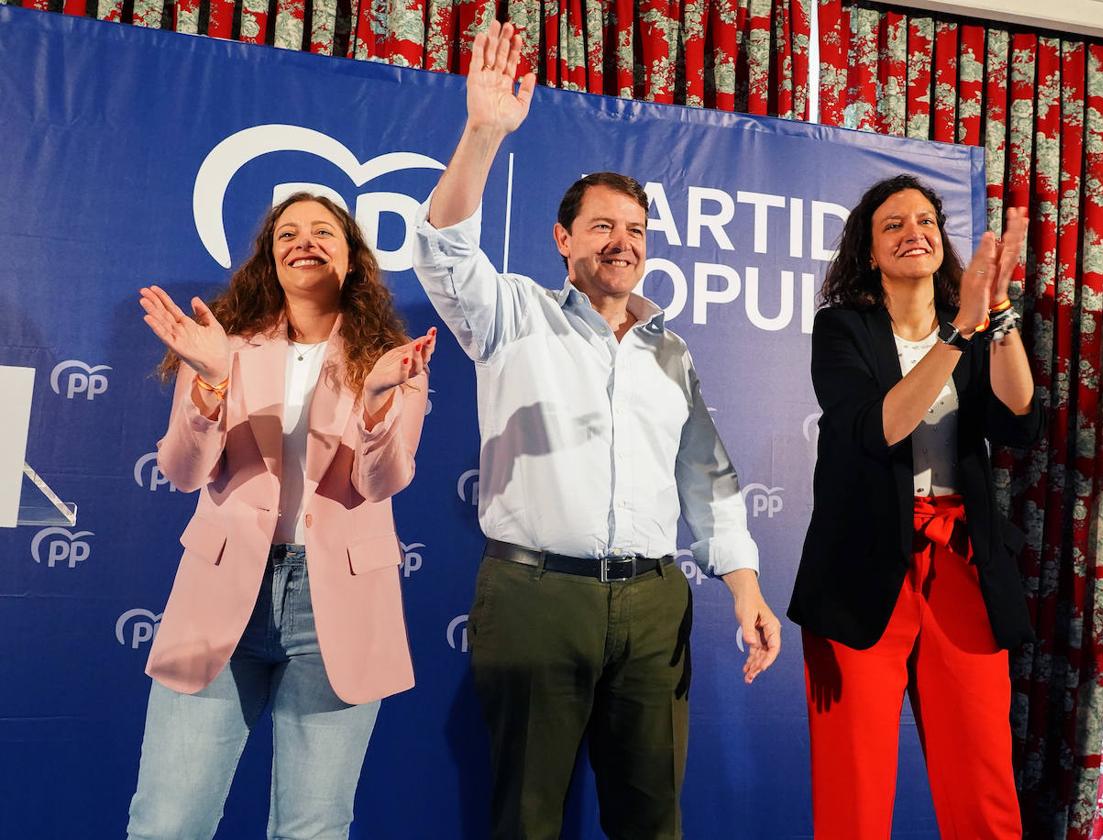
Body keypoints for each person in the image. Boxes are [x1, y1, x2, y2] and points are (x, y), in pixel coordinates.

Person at [411, 20, 782, 840]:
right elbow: (439, 250)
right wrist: (481, 133)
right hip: (536, 595)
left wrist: (745, 585)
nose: (623, 243)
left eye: (637, 231)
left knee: (653, 821)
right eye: (605, 227)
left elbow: (709, 480)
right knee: (527, 820)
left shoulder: (672, 351)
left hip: (655, 606)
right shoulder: (513, 313)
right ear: (564, 240)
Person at [126, 192, 436, 840]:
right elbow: (183, 472)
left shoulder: (391, 359)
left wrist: (378, 401)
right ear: (269, 257)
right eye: (288, 232)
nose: (305, 240)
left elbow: (381, 483)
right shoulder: (222, 346)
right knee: (167, 823)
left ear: (352, 259)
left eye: (325, 231)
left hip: (339, 608)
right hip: (221, 595)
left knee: (312, 829)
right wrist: (210, 381)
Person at [787, 174, 1044, 839]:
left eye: (926, 221)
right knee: (855, 794)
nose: (914, 233)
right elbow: (878, 428)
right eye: (893, 224)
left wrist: (1000, 313)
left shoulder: (976, 325)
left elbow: (1018, 417)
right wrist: (956, 336)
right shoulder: (842, 328)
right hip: (861, 576)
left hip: (961, 567)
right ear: (870, 252)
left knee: (984, 785)